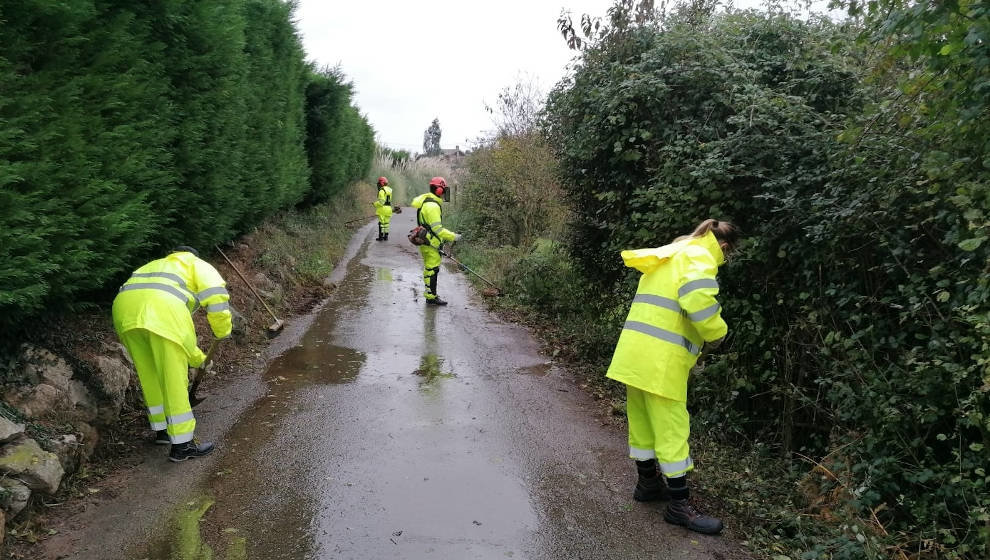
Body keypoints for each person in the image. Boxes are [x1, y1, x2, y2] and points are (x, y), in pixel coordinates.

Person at [605, 219, 740, 535]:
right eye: (728, 255)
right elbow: (697, 300)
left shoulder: (670, 253)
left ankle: (648, 485)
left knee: (642, 421)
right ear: (723, 246)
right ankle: (680, 507)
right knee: (672, 427)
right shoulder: (699, 256)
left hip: (635, 353)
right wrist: (718, 333)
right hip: (660, 361)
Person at [111, 246, 232, 462]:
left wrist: (198, 359)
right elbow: (216, 296)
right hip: (161, 311)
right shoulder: (196, 264)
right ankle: (182, 447)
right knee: (173, 379)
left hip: (123, 312)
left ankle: (162, 431)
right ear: (192, 255)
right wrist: (222, 332)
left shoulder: (154, 265)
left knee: (150, 376)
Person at [410, 177, 460, 306]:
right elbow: (438, 230)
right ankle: (432, 298)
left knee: (429, 269)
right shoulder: (432, 206)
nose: (444, 193)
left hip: (426, 241)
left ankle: (429, 295)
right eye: (443, 190)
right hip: (431, 243)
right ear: (438, 190)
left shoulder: (427, 203)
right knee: (433, 270)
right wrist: (454, 236)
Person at [374, 176, 393, 241]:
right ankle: (386, 236)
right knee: (386, 223)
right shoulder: (390, 190)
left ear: (381, 183)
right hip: (389, 208)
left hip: (382, 209)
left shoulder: (382, 191)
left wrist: (375, 204)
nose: (378, 185)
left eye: (379, 183)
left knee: (381, 223)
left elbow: (381, 202)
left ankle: (381, 237)